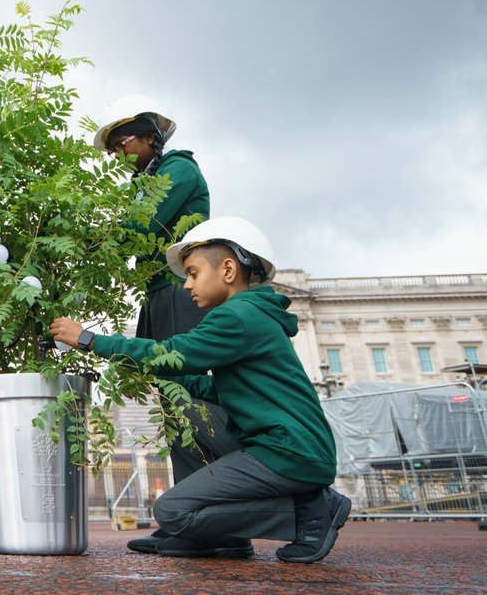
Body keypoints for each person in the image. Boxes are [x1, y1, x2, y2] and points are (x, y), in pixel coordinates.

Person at [51, 217, 350, 563]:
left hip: (287, 451)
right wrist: (165, 381)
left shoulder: (236, 317)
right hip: (280, 443)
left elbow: (172, 354)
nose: (186, 285)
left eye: (193, 273)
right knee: (186, 409)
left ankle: (309, 510)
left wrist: (89, 339)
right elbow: (218, 388)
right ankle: (222, 539)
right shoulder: (249, 315)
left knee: (172, 511)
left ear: (227, 270)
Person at [94, 95, 235, 553]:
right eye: (112, 147)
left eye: (123, 142)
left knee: (188, 399)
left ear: (151, 137)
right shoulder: (148, 177)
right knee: (174, 403)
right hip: (161, 291)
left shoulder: (178, 169)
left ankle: (218, 527)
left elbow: (141, 226)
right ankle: (191, 520)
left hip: (183, 289)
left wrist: (89, 236)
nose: (117, 153)